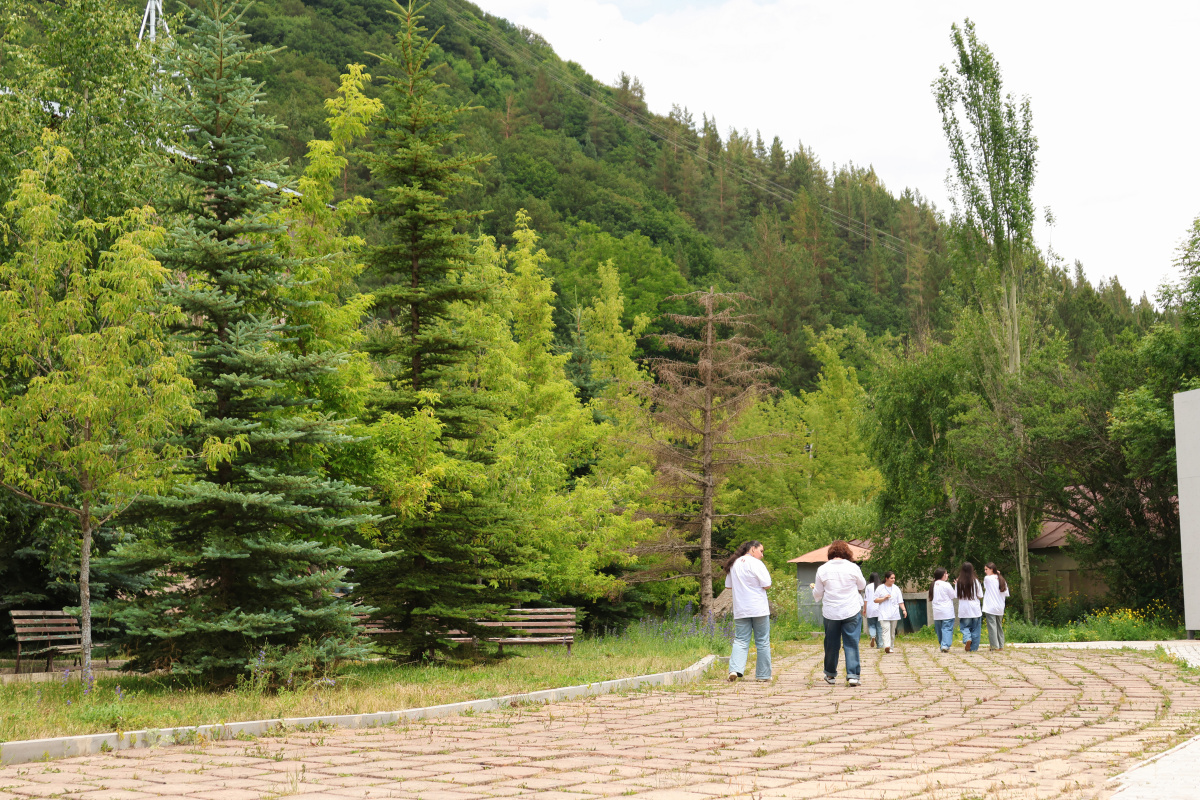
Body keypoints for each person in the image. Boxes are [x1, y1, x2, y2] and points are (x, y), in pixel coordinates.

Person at [812, 540, 866, 686]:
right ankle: (853, 675)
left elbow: (818, 592)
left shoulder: (822, 569)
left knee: (831, 643)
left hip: (831, 612)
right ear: (846, 552)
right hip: (851, 609)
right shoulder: (853, 567)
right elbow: (862, 585)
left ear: (831, 553)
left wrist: (815, 593)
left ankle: (830, 675)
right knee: (851, 643)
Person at [723, 540, 772, 682]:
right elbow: (767, 584)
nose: (762, 555)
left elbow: (729, 586)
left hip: (741, 609)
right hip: (759, 609)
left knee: (740, 640)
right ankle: (763, 675)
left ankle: (734, 669)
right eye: (761, 551)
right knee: (762, 641)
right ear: (752, 549)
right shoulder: (757, 564)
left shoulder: (734, 564)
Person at [872, 571, 906, 653]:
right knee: (885, 629)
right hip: (883, 613)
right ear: (886, 578)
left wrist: (904, 610)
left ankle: (891, 647)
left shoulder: (896, 588)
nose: (893, 580)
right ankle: (887, 645)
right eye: (891, 578)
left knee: (892, 632)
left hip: (894, 613)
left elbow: (900, 601)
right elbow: (875, 600)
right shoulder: (880, 588)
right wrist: (884, 598)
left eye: (894, 578)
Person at [956, 562, 984, 652]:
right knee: (976, 629)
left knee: (965, 627)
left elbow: (956, 595)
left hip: (964, 609)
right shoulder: (976, 581)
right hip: (975, 609)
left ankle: (967, 638)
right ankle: (974, 648)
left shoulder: (959, 582)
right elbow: (980, 595)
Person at [982, 562, 1010, 651]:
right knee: (999, 626)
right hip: (1000, 607)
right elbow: (1006, 593)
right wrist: (998, 574)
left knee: (992, 627)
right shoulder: (1002, 580)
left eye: (986, 569)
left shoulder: (987, 578)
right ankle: (1001, 645)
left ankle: (994, 646)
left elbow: (985, 587)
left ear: (991, 569)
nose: (985, 571)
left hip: (990, 607)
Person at [929, 568, 956, 653]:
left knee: (939, 629)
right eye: (946, 573)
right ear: (943, 575)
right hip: (947, 611)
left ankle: (942, 644)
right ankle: (945, 645)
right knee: (947, 628)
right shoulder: (946, 584)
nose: (947, 575)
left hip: (937, 611)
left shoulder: (933, 584)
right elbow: (953, 596)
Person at [863, 572, 882, 648]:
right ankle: (880, 644)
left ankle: (873, 636)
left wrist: (864, 609)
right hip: (879, 609)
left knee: (871, 625)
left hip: (870, 609)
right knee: (879, 627)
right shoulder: (881, 586)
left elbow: (866, 599)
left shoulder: (868, 586)